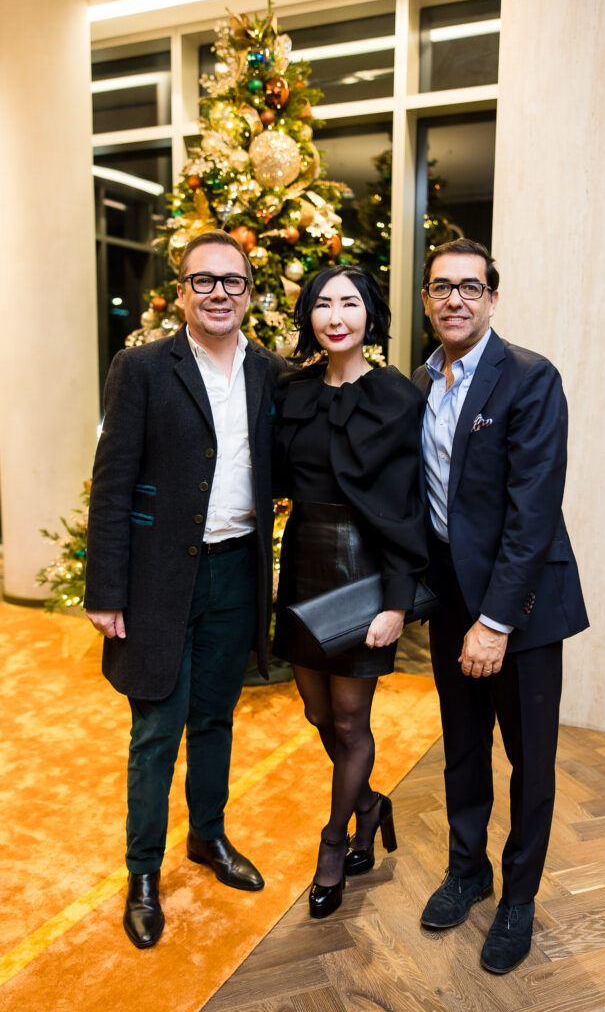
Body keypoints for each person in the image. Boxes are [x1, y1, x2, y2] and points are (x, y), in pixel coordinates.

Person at [84, 229, 286, 949]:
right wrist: (106, 592)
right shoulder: (139, 368)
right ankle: (142, 872)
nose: (219, 294)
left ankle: (207, 837)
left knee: (215, 717)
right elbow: (111, 485)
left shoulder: (270, 371)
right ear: (180, 292)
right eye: (204, 281)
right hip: (158, 577)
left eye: (232, 282)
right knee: (155, 729)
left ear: (250, 293)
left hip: (237, 569)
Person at [413, 238, 589, 973]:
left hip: (520, 605)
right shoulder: (417, 383)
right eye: (440, 287)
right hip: (450, 598)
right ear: (425, 300)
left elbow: (532, 512)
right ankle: (467, 869)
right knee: (460, 749)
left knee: (529, 760)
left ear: (491, 298)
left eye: (469, 287)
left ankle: (518, 896)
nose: (454, 299)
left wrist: (494, 623)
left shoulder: (528, 378)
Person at [273, 265, 428, 919]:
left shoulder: (397, 396)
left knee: (347, 719)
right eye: (323, 304)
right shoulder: (291, 390)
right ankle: (367, 800)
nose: (335, 316)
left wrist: (396, 601)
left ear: (369, 316)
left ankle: (337, 840)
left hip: (364, 566)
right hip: (305, 555)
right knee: (313, 713)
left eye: (350, 304)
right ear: (308, 314)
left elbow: (408, 505)